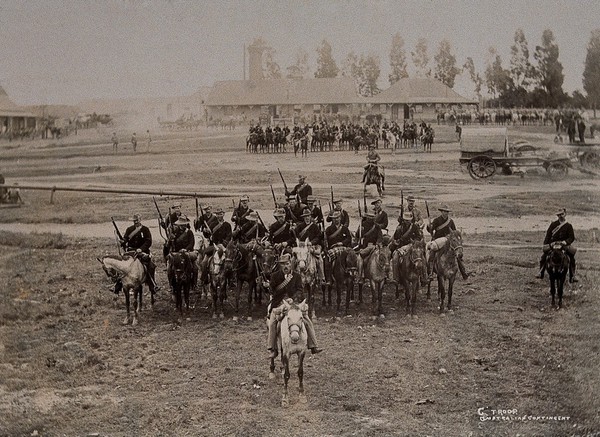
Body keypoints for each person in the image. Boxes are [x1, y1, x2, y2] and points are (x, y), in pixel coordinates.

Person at [265, 254, 322, 358]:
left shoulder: (296, 276)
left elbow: (300, 290)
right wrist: (267, 286)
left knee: (306, 319)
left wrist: (293, 298)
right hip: (279, 303)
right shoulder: (274, 276)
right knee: (273, 321)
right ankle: (272, 348)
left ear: (290, 264)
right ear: (280, 266)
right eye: (282, 264)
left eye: (287, 264)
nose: (285, 266)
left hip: (294, 303)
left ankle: (313, 345)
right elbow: (272, 291)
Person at [116, 214, 160, 294]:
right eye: (134, 221)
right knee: (121, 266)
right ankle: (118, 285)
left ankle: (152, 285)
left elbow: (148, 241)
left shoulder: (145, 229)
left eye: (137, 220)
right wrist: (123, 241)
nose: (136, 222)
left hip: (142, 251)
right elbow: (125, 239)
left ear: (140, 220)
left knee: (150, 266)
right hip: (131, 251)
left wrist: (141, 249)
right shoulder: (129, 229)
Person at [425, 205, 468, 280]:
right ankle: (430, 272)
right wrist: (429, 226)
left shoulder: (451, 221)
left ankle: (463, 272)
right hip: (438, 241)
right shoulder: (436, 220)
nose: (446, 213)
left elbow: (454, 232)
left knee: (457, 255)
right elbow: (430, 230)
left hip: (448, 241)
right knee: (432, 253)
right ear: (441, 212)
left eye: (447, 212)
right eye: (444, 211)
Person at [537, 208, 578, 283]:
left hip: (563, 244)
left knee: (571, 257)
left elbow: (571, 237)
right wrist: (548, 244)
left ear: (565, 214)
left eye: (562, 214)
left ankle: (573, 276)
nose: (560, 216)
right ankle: (541, 272)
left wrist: (565, 242)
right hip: (554, 244)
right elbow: (548, 235)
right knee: (544, 257)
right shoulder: (553, 224)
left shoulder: (568, 226)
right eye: (559, 215)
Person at [199, 207, 232, 285]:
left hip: (224, 246)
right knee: (204, 262)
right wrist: (205, 232)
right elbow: (207, 236)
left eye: (221, 214)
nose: (219, 216)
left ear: (223, 214)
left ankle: (231, 280)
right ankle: (203, 279)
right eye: (217, 214)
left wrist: (223, 244)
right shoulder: (212, 224)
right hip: (213, 246)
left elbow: (229, 236)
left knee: (230, 262)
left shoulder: (227, 225)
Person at [390, 211, 424, 284]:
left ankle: (424, 277)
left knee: (422, 257)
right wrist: (396, 242)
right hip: (401, 247)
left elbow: (419, 237)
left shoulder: (414, 227)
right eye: (406, 220)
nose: (407, 222)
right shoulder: (399, 228)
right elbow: (395, 238)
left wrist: (414, 242)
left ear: (411, 220)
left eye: (408, 220)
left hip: (412, 246)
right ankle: (395, 278)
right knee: (395, 258)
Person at [294, 208, 326, 283]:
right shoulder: (300, 227)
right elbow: (296, 236)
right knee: (293, 260)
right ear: (303, 218)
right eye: (305, 217)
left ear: (310, 217)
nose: (307, 218)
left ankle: (322, 278)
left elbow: (319, 237)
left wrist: (311, 242)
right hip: (302, 247)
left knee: (320, 260)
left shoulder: (315, 226)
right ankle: (292, 277)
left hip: (313, 246)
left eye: (308, 216)